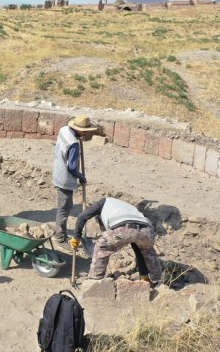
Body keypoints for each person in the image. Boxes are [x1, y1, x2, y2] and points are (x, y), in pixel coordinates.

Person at [70, 197, 162, 286]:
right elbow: (137, 247)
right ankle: (155, 280)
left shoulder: (104, 202)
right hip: (147, 230)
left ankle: (94, 281)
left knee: (101, 247)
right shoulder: (124, 207)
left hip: (124, 228)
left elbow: (82, 217)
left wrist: (76, 237)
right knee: (147, 252)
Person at [52, 115, 97, 243]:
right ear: (81, 131)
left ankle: (61, 233)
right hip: (65, 179)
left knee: (63, 206)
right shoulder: (73, 144)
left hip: (58, 172)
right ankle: (60, 237)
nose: (87, 133)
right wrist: (81, 177)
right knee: (64, 208)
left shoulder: (64, 130)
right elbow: (72, 167)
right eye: (86, 131)